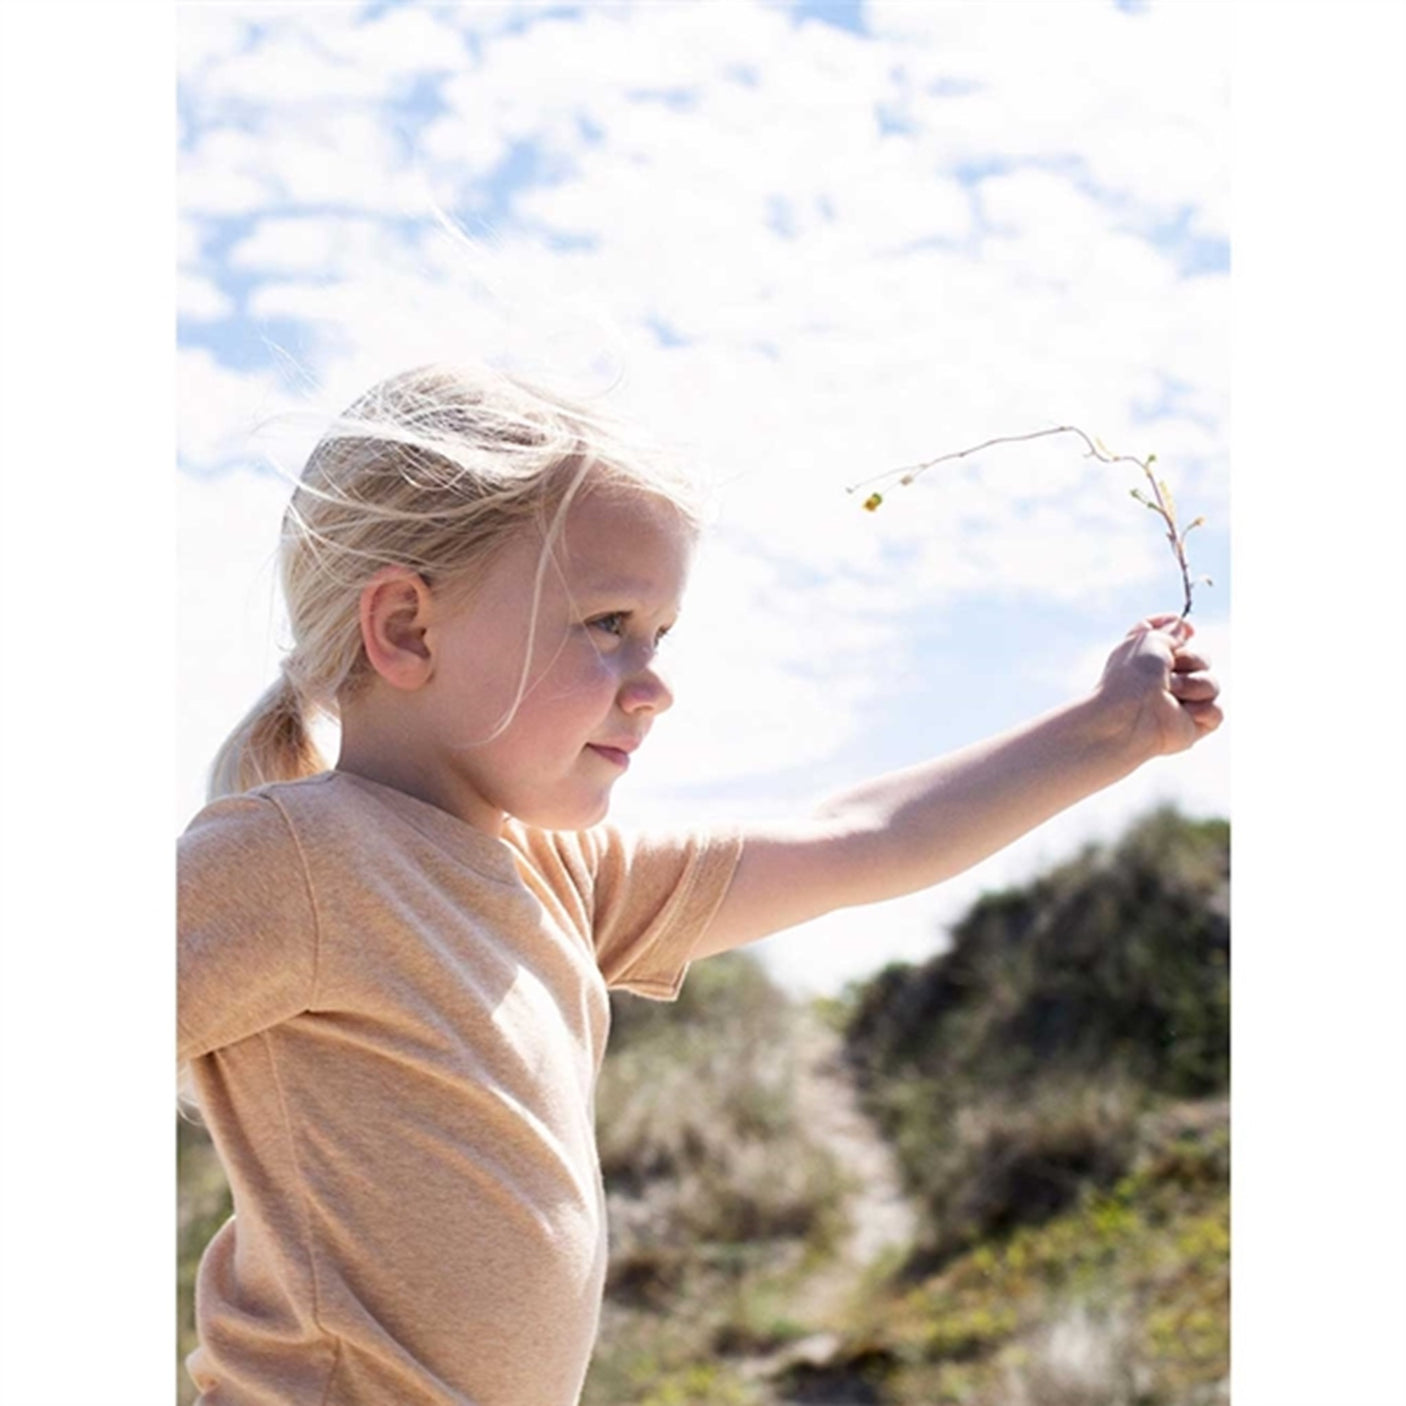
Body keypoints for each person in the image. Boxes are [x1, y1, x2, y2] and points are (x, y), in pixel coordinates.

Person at [178, 362, 1222, 1406]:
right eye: (607, 622)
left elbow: (859, 836)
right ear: (407, 627)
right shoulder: (295, 858)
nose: (656, 681)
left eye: (660, 634)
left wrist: (1106, 731)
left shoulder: (559, 873)